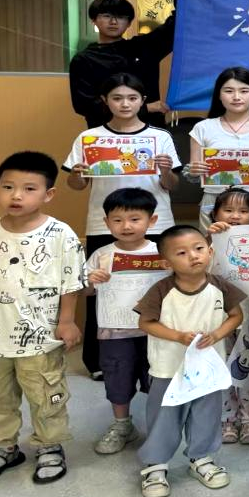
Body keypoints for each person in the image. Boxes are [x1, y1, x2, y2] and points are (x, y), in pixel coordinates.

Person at [0, 151, 84, 486]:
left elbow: (71, 283)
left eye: (29, 188)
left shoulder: (61, 235)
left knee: (45, 393)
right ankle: (3, 448)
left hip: (40, 337)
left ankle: (50, 446)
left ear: (48, 194)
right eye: (8, 187)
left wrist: (67, 321)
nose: (16, 195)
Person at [65, 73, 181, 380]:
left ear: (143, 101)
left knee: (156, 289)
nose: (125, 104)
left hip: (156, 223)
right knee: (102, 287)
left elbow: (171, 185)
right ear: (105, 101)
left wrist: (165, 171)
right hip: (105, 224)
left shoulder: (159, 137)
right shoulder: (89, 138)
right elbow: (76, 185)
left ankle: (156, 356)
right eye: (117, 98)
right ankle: (98, 360)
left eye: (132, 98)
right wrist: (76, 174)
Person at [133, 224, 246, 497]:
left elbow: (236, 316)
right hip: (168, 368)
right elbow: (145, 322)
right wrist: (177, 336)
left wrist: (217, 334)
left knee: (206, 414)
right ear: (166, 262)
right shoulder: (161, 290)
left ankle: (201, 458)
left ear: (210, 252)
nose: (193, 256)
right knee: (164, 416)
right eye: (181, 253)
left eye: (198, 248)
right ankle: (155, 465)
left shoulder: (220, 286)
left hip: (207, 369)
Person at [82, 188, 165, 455]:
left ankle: (159, 427)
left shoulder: (162, 252)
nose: (126, 226)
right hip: (114, 331)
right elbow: (85, 292)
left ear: (152, 220)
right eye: (117, 220)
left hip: (157, 332)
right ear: (106, 223)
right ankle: (122, 425)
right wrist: (91, 281)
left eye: (134, 219)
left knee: (158, 378)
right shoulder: (101, 255)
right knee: (117, 378)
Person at [205, 188, 249, 446]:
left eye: (243, 211)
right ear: (215, 214)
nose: (235, 216)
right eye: (228, 210)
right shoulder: (208, 243)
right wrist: (209, 238)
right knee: (221, 367)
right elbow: (196, 267)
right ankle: (226, 417)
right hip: (218, 318)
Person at [187, 67, 249, 231]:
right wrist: (193, 170)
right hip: (216, 201)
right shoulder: (203, 128)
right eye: (229, 91)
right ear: (219, 95)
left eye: (244, 91)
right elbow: (193, 174)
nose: (236, 97)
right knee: (213, 244)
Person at [69, 0, 174, 129]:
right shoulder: (83, 59)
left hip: (149, 130)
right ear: (93, 20)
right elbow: (84, 105)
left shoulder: (145, 48)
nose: (113, 22)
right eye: (106, 16)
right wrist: (145, 108)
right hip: (105, 132)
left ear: (129, 22)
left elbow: (175, 27)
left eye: (120, 17)